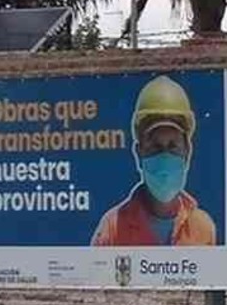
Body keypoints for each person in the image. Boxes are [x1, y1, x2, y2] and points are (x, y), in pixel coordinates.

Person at [92, 75, 217, 246]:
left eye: (173, 146)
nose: (165, 157)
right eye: (155, 147)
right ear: (138, 153)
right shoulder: (112, 228)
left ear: (187, 153)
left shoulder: (203, 228)